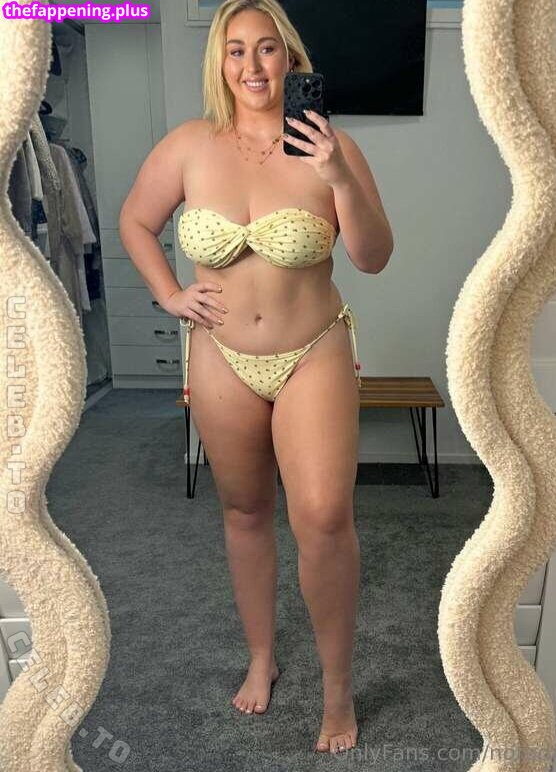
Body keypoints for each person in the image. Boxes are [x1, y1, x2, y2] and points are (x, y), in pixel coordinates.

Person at [119, 0, 393, 755]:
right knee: (243, 510)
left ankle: (337, 689)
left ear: (291, 58)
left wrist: (339, 177)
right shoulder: (189, 145)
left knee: (324, 517)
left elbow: (373, 257)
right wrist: (170, 294)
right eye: (236, 50)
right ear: (220, 62)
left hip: (312, 351)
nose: (252, 65)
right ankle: (262, 655)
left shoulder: (330, 147)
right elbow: (136, 221)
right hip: (220, 356)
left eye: (267, 48)